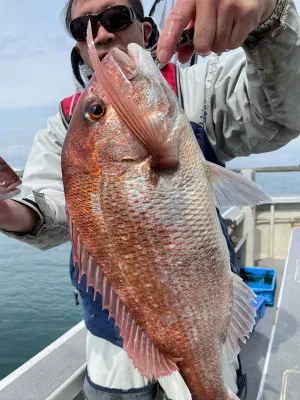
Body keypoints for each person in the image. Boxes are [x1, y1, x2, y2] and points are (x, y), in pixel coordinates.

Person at [1, 0, 300, 398]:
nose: (102, 33)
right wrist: (5, 211)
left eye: (115, 17)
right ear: (79, 48)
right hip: (113, 338)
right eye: (84, 28)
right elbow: (52, 209)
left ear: (144, 31)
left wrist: (272, 20)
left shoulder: (198, 90)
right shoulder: (62, 129)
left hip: (204, 317)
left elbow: (285, 113)